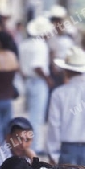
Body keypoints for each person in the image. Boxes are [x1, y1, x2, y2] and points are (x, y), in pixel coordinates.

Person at [19, 16, 54, 154]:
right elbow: (38, 66)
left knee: (30, 114)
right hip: (38, 81)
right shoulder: (41, 45)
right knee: (37, 116)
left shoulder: (25, 44)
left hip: (27, 80)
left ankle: (27, 143)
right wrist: (48, 79)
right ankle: (34, 146)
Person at [48, 5, 75, 88]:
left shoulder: (71, 32)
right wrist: (53, 67)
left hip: (68, 68)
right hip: (56, 69)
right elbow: (51, 52)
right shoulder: (52, 35)